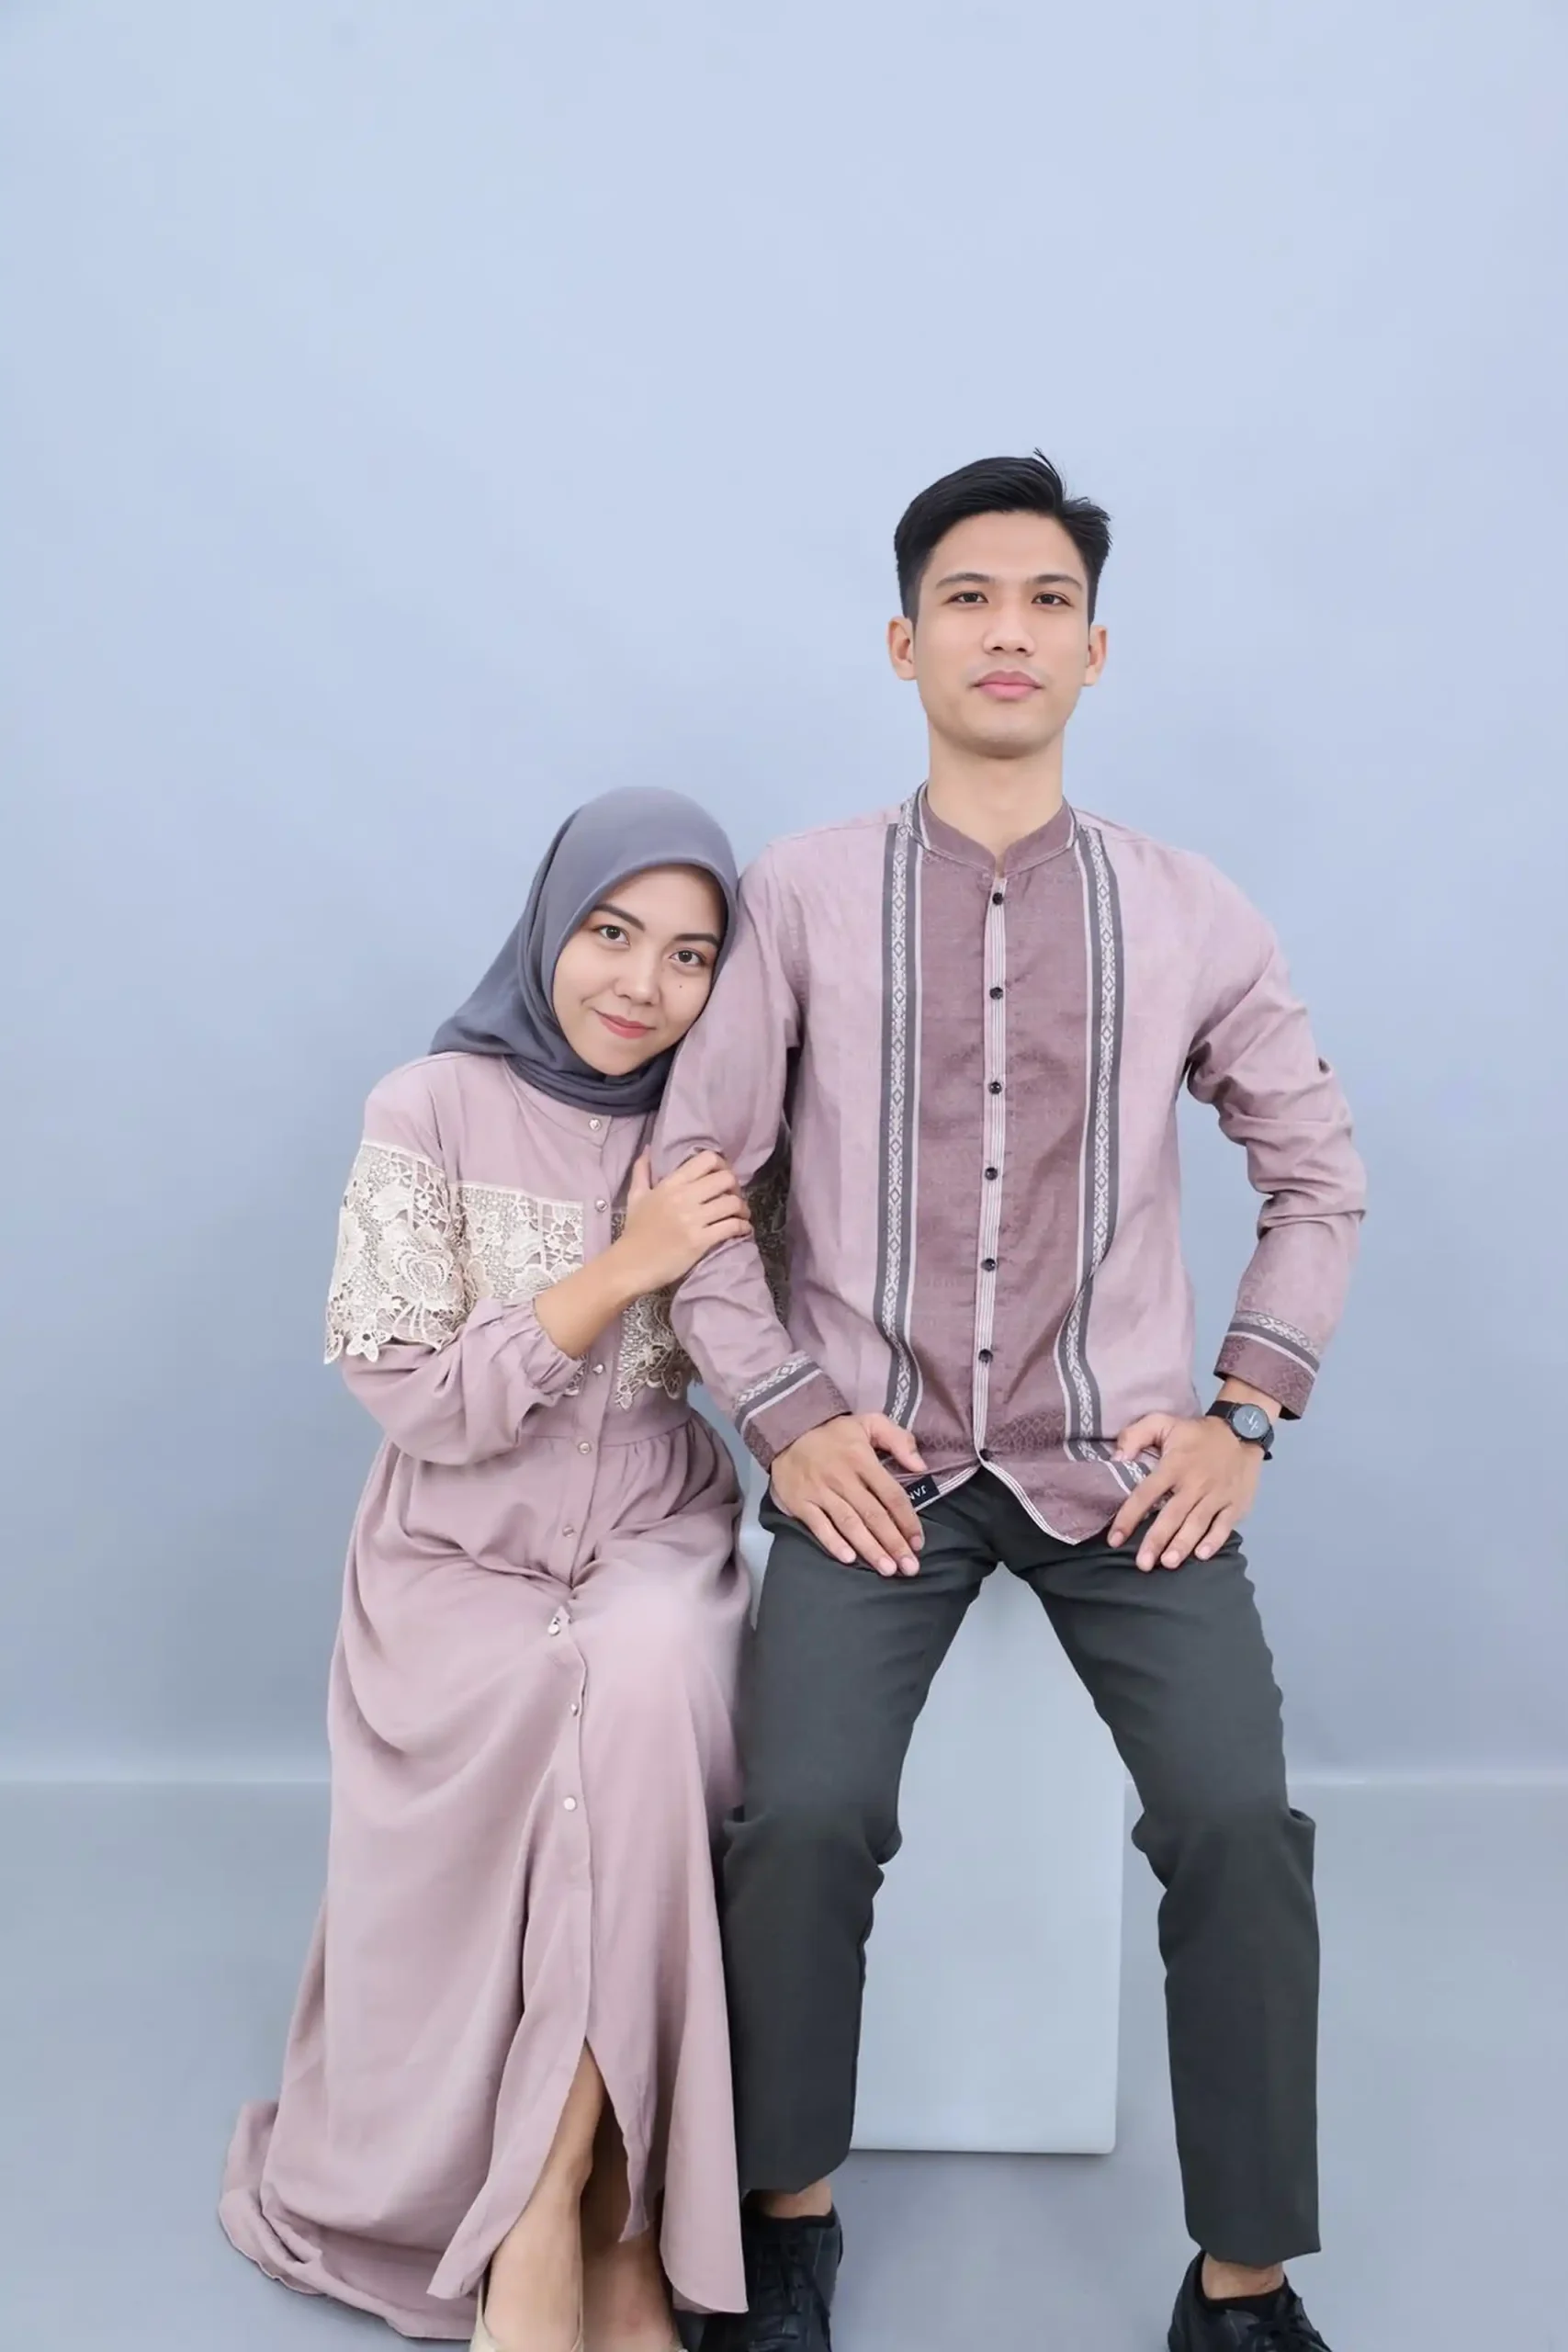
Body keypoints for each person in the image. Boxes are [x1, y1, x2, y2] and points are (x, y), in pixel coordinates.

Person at [650, 456, 1365, 2352]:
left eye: (1047, 601)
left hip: (1115, 1466)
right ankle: (783, 2223)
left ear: (1093, 652)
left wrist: (1243, 1414)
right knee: (801, 1816)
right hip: (868, 1462)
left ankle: (1241, 2284)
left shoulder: (1188, 910)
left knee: (1237, 1820)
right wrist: (787, 1413)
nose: (1008, 632)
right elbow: (693, 1185)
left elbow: (1316, 1175)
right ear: (904, 645)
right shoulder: (800, 895)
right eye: (967, 597)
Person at [221, 786, 768, 2352]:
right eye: (611, 934)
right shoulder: (427, 1108)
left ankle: (576, 2210)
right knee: (557, 1702)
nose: (641, 986)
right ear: (548, 930)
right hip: (454, 1558)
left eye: (689, 956)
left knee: (647, 1679)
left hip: (651, 1538)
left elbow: (788, 1340)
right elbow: (413, 1397)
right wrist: (627, 1263)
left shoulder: (721, 1137)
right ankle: (584, 2224)